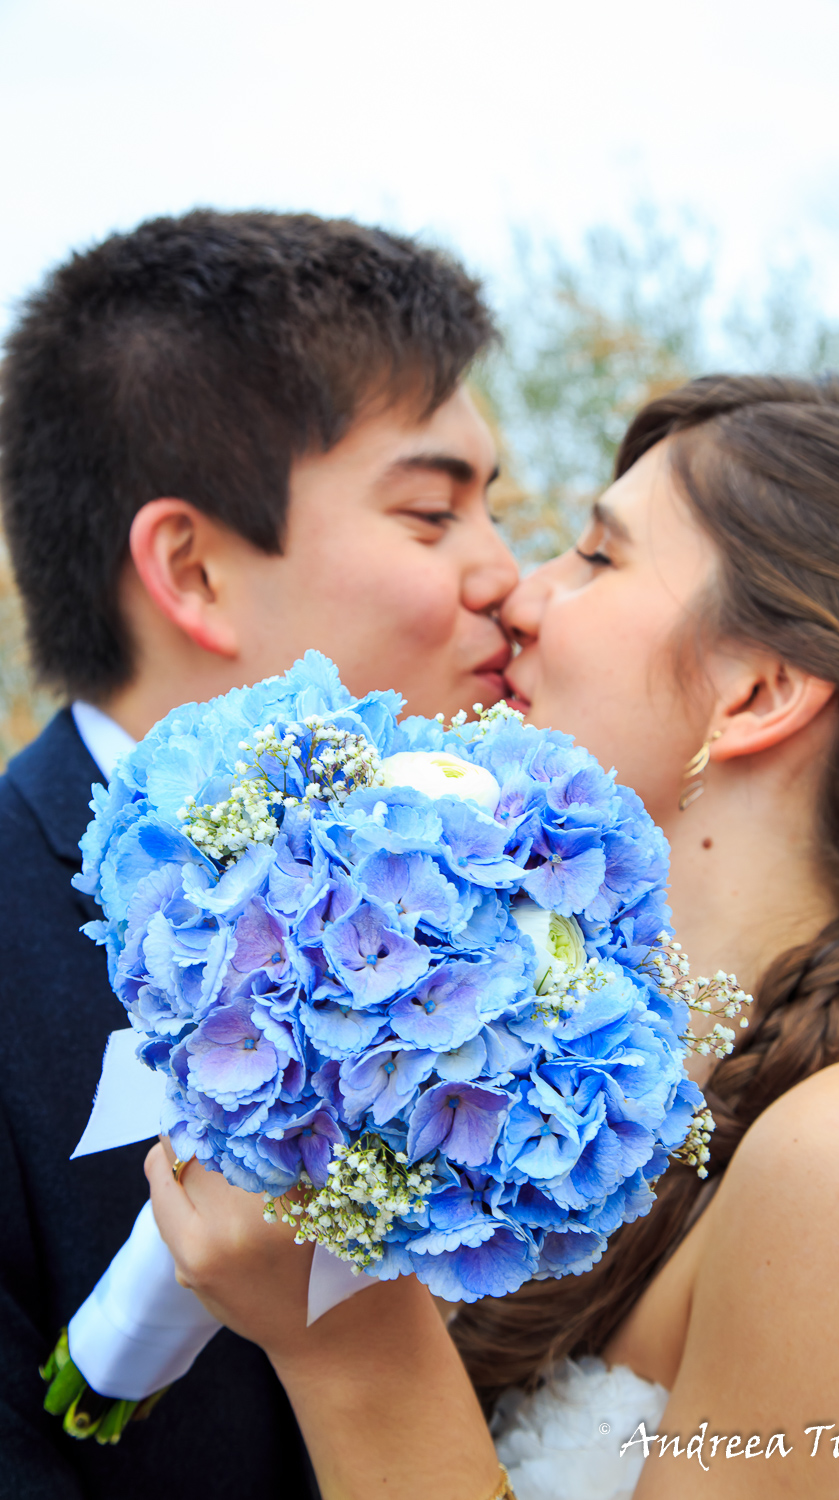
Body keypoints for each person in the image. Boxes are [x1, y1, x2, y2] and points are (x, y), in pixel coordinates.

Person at [149, 374, 839, 1498]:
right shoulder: (589, 1080)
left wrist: (350, 1349)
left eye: (597, 557)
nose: (519, 592)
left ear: (757, 692)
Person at [0, 209, 517, 1500]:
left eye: (495, 511)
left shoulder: (523, 912)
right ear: (193, 568)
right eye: (433, 515)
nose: (507, 577)